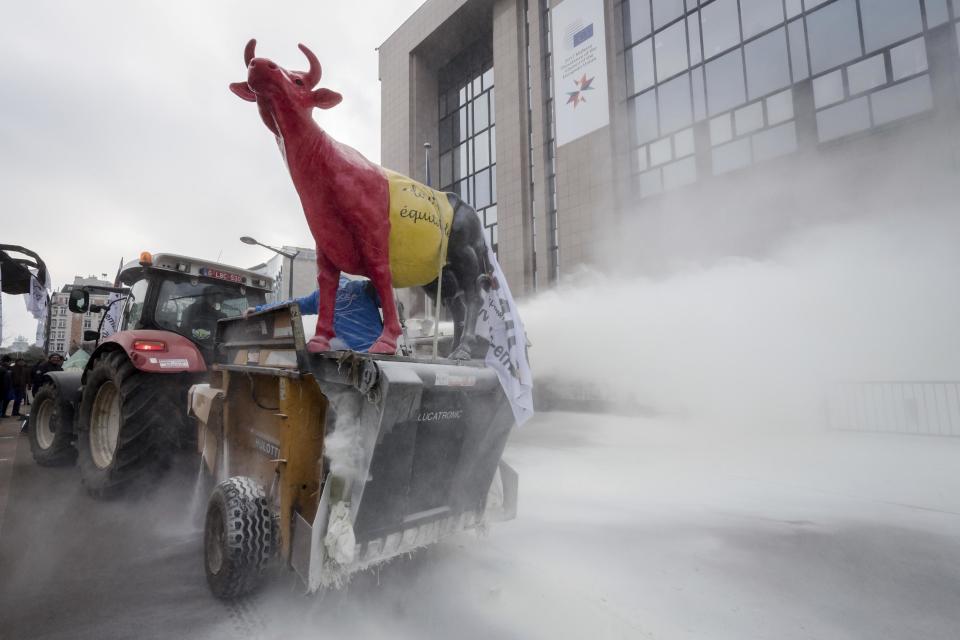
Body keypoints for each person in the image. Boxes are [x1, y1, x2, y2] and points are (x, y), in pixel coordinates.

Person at [252, 276, 383, 351]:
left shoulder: (319, 296)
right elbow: (388, 301)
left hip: (346, 357)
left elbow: (291, 304)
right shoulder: (363, 287)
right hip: (378, 352)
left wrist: (259, 309)